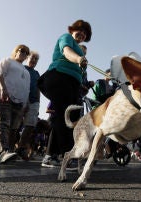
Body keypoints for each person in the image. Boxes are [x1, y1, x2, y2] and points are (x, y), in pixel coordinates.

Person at [38, 19, 92, 167]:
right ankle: (65, 155)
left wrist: (84, 86)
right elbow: (67, 51)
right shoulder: (66, 38)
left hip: (73, 85)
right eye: (79, 30)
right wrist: (78, 58)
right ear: (72, 29)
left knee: (70, 119)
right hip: (59, 77)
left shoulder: (81, 52)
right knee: (63, 116)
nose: (82, 34)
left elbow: (80, 74)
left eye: (85, 33)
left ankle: (51, 156)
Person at [0, 44, 31, 164]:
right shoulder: (8, 61)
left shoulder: (26, 71)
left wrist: (26, 103)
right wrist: (3, 88)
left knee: (12, 127)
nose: (23, 54)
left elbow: (26, 88)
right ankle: (4, 152)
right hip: (3, 96)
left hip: (18, 102)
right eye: (22, 50)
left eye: (26, 53)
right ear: (16, 51)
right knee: (3, 123)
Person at [16, 51, 41, 161]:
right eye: (32, 58)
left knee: (30, 126)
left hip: (34, 101)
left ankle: (21, 148)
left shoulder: (37, 73)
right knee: (15, 124)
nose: (34, 60)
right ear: (27, 58)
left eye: (36, 59)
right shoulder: (21, 68)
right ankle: (10, 148)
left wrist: (38, 103)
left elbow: (39, 88)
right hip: (21, 99)